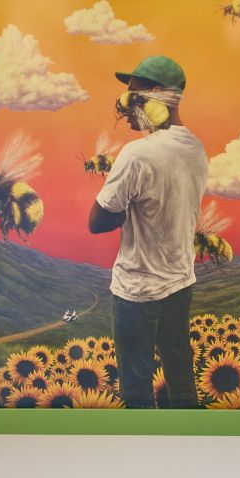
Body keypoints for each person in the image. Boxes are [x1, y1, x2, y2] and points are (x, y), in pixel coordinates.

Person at [88, 55, 208, 408]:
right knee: (180, 370)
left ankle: (140, 440)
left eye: (135, 96)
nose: (127, 107)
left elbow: (97, 221)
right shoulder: (196, 148)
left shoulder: (137, 154)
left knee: (136, 383)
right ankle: (188, 433)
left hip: (137, 290)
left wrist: (124, 210)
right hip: (180, 282)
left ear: (159, 96)